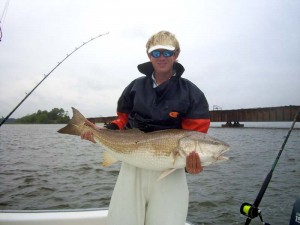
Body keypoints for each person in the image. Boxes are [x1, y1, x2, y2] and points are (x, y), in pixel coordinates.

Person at [81, 30, 210, 225]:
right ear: (148, 55)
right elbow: (122, 120)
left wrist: (193, 164)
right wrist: (101, 133)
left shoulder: (192, 93)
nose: (162, 57)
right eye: (156, 53)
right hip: (131, 163)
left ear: (176, 54)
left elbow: (197, 136)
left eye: (167, 52)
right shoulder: (135, 86)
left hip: (171, 171)